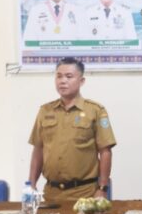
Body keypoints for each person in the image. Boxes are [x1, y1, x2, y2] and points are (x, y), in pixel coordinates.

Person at [29, 58, 116, 203]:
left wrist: (102, 188)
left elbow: (105, 151)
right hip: (51, 194)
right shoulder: (45, 111)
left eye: (69, 76)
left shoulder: (95, 110)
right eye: (59, 76)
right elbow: (38, 149)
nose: (63, 81)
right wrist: (31, 185)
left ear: (81, 81)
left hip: (86, 194)